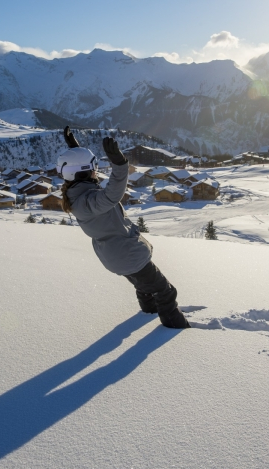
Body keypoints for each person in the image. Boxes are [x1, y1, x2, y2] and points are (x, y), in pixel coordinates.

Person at [57, 127, 189, 329]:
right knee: (166, 291)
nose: (96, 170)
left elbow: (81, 172)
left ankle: (149, 312)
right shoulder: (89, 201)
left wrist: (75, 149)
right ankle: (174, 328)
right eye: (93, 167)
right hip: (127, 255)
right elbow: (111, 195)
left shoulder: (78, 192)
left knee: (143, 286)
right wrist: (119, 165)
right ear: (83, 172)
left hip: (117, 255)